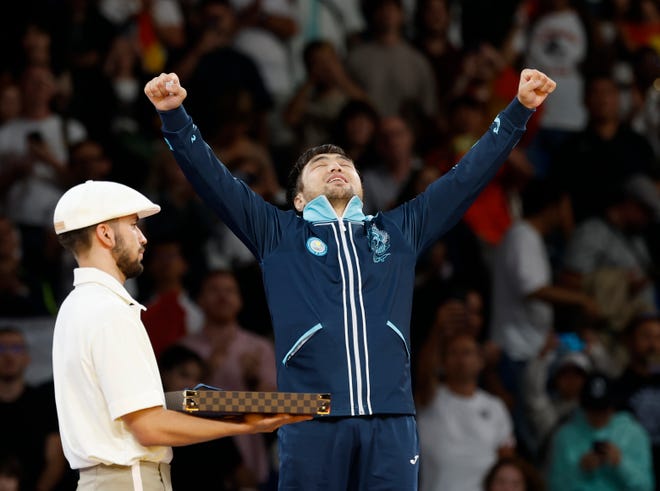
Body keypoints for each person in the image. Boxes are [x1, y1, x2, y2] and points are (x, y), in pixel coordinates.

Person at [144, 67, 556, 490]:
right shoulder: (277, 233)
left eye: (345, 163)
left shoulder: (399, 232)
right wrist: (175, 116)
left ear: (360, 185)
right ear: (299, 198)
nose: (336, 166)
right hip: (312, 417)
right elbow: (215, 181)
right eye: (320, 164)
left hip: (392, 418)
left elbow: (465, 177)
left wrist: (519, 110)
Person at [50, 180, 309, 490]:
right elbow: (147, 427)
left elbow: (131, 408)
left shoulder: (77, 304)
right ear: (105, 234)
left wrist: (236, 406)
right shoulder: (108, 310)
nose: (143, 238)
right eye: (133, 226)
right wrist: (247, 422)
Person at [416, 333, 515, 491]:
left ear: (480, 361)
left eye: (467, 353)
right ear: (443, 362)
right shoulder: (428, 398)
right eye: (453, 353)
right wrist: (438, 330)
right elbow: (424, 374)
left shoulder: (495, 406)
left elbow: (507, 463)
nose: (460, 359)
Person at [547, 372, 654, 491]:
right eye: (593, 410)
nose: (598, 416)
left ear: (612, 406)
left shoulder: (634, 434)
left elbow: (646, 486)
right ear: (583, 407)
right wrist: (580, 470)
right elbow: (554, 486)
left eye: (603, 410)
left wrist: (621, 464)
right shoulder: (564, 437)